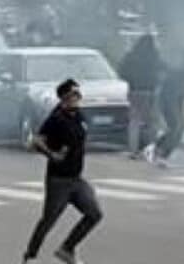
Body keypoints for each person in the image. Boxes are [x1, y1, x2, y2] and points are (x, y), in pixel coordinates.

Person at [22, 79, 103, 264]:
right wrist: (52, 155)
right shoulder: (56, 118)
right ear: (64, 97)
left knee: (94, 214)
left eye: (78, 94)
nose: (77, 97)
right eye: (74, 94)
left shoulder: (79, 115)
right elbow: (35, 141)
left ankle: (67, 249)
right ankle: (30, 256)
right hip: (58, 181)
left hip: (76, 179)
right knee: (48, 220)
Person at [117, 33, 162, 160]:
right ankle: (152, 149)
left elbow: (121, 71)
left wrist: (131, 80)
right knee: (152, 122)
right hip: (151, 91)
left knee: (134, 122)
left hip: (135, 91)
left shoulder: (131, 56)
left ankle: (133, 151)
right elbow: (163, 69)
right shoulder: (154, 56)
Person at [152, 52, 184, 168]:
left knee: (178, 127)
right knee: (177, 127)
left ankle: (157, 147)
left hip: (170, 101)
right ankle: (162, 155)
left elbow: (181, 100)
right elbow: (174, 97)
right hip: (167, 101)